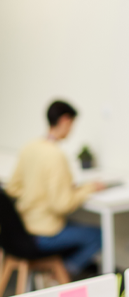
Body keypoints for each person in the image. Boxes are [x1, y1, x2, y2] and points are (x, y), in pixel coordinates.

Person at [6, 99, 104, 278]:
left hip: (22, 230)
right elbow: (62, 205)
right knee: (99, 235)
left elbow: (13, 187)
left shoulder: (29, 147)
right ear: (65, 120)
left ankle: (57, 273)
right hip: (44, 232)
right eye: (72, 124)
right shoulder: (56, 155)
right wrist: (88, 189)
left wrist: (36, 194)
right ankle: (60, 273)